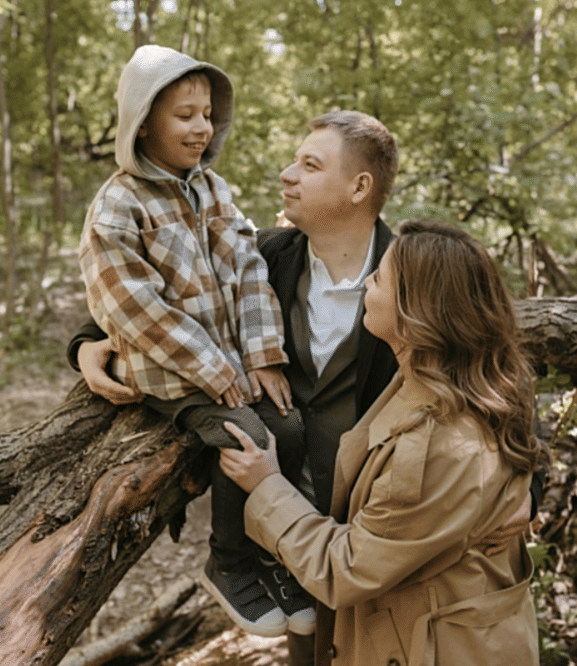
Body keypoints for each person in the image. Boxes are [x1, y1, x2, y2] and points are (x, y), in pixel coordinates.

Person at [219, 219, 548, 665]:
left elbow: (346, 568)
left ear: (416, 315)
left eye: (379, 278)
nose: (366, 281)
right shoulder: (465, 378)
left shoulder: (439, 445)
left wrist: (265, 485)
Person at [77, 44, 311, 638]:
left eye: (207, 114)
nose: (201, 127)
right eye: (184, 115)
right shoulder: (118, 206)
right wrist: (215, 369)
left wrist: (263, 355)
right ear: (143, 122)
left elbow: (249, 269)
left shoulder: (213, 189)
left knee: (288, 427)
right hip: (170, 373)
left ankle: (271, 551)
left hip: (231, 361)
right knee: (247, 434)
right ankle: (228, 562)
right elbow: (133, 309)